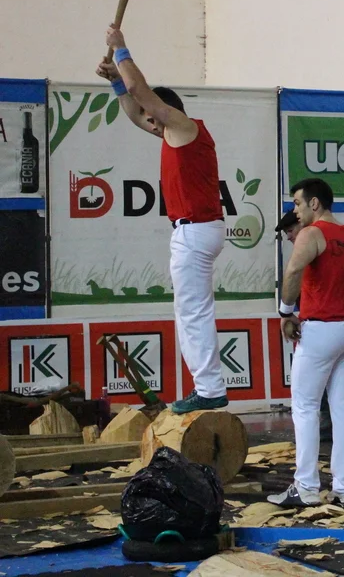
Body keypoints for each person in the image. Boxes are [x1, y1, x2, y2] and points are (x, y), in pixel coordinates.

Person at [98, 28, 228, 414]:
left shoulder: (185, 127)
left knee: (193, 313)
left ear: (165, 111)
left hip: (195, 230)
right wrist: (116, 83)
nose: (150, 126)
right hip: (197, 230)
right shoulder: (174, 135)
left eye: (153, 118)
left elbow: (140, 93)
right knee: (190, 312)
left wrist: (121, 48)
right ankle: (207, 385)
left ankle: (209, 388)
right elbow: (133, 109)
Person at [269, 178, 344, 507]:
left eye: (297, 204)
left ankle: (305, 487)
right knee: (343, 408)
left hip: (321, 329)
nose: (295, 211)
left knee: (305, 407)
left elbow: (293, 272)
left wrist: (285, 312)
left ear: (314, 203)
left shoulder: (312, 233)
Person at [276, 210, 333, 441]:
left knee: (308, 387)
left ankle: (318, 429)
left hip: (322, 323)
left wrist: (287, 314)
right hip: (323, 322)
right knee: (328, 384)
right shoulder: (315, 246)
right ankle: (329, 423)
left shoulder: (314, 245)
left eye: (290, 231)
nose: (289, 236)